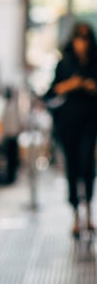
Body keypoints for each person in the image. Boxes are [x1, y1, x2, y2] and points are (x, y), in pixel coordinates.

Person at [45, 21, 97, 237]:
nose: (81, 44)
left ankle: (88, 212)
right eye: (78, 38)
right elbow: (50, 92)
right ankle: (76, 212)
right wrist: (72, 84)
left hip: (91, 123)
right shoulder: (64, 64)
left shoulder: (95, 63)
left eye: (85, 39)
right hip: (68, 124)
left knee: (87, 166)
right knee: (73, 167)